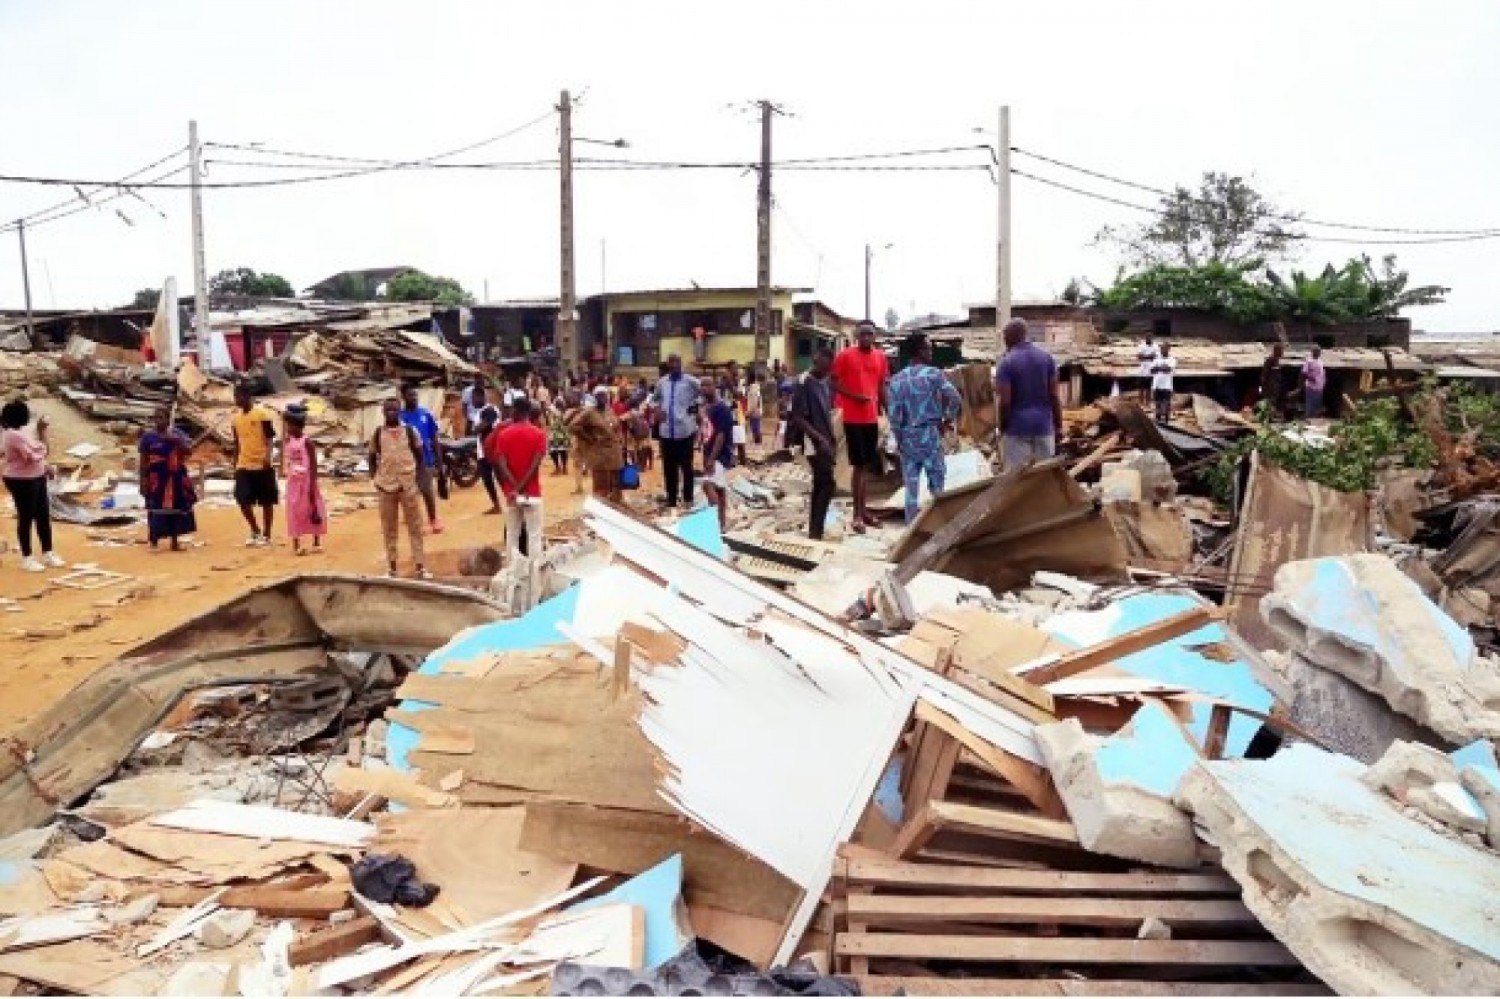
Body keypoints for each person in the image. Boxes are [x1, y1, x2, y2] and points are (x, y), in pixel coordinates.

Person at [888, 334, 962, 523]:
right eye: (928, 348)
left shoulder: (896, 380)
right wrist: (947, 420)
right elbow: (955, 398)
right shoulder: (933, 374)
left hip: (907, 437)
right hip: (929, 434)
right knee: (937, 484)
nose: (931, 352)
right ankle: (938, 525)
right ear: (920, 351)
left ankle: (911, 531)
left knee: (911, 487)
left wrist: (899, 439)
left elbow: (894, 416)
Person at [831, 320, 890, 533]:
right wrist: (854, 397)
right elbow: (834, 382)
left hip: (871, 419)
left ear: (875, 336)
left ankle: (863, 511)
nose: (866, 337)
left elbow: (882, 386)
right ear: (856, 335)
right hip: (853, 419)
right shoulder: (845, 356)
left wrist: (888, 411)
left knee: (866, 467)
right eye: (863, 334)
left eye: (870, 334)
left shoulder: (881, 357)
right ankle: (857, 515)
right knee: (858, 466)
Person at [370, 397, 429, 580]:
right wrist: (375, 478)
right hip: (386, 487)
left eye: (394, 410)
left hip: (408, 486)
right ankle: (392, 568)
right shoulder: (378, 434)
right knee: (389, 529)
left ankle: (420, 567)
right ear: (383, 412)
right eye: (388, 410)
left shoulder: (411, 432)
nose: (391, 413)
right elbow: (372, 456)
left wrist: (418, 476)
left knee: (415, 527)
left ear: (399, 411)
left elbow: (420, 455)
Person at [1, 400, 63, 572]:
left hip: (36, 476)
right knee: (26, 517)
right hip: (20, 479)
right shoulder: (13, 435)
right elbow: (34, 455)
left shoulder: (23, 432)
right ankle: (27, 557)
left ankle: (47, 552)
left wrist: (45, 466)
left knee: (43, 516)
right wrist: (43, 436)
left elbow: (39, 453)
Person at [994, 319, 1061, 470]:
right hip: (1044, 427)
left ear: (1010, 336)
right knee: (1044, 478)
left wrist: (1003, 427)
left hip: (1017, 429)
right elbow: (1054, 396)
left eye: (1005, 336)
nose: (1004, 340)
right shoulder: (1047, 358)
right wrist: (1058, 426)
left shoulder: (1006, 363)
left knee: (1017, 480)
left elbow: (1005, 402)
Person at [491, 397, 549, 565]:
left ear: (515, 411)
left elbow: (501, 464)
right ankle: (535, 575)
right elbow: (535, 465)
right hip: (532, 493)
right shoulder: (539, 434)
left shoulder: (503, 435)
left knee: (512, 534)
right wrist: (522, 487)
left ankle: (512, 572)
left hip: (511, 495)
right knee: (534, 536)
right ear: (529, 412)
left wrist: (514, 488)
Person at [788, 349, 837, 540]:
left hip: (824, 439)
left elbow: (826, 413)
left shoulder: (824, 383)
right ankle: (816, 530)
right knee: (826, 484)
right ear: (815, 361)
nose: (825, 370)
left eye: (827, 367)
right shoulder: (803, 382)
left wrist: (830, 438)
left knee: (821, 483)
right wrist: (819, 439)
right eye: (821, 366)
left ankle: (816, 530)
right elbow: (798, 417)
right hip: (813, 441)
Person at [140, 405, 197, 552]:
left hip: (175, 477)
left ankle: (175, 541)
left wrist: (176, 441)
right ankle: (154, 542)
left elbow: (189, 451)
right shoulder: (148, 438)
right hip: (157, 479)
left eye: (161, 417)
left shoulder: (177, 434)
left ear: (167, 419)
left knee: (176, 509)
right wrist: (143, 481)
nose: (158, 421)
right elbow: (143, 461)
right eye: (156, 418)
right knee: (154, 509)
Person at [651, 354, 702, 509]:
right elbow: (654, 399)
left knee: (686, 467)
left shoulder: (691, 382)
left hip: (685, 431)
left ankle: (688, 499)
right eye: (671, 363)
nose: (673, 365)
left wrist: (696, 408)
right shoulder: (662, 382)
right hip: (666, 432)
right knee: (668, 468)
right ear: (668, 365)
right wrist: (657, 410)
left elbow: (704, 395)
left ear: (681, 364)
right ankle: (671, 500)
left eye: (676, 362)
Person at [230, 384, 277, 547]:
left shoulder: (262, 415)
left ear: (247, 396)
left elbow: (270, 438)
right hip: (244, 464)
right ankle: (255, 529)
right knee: (242, 499)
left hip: (261, 464)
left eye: (238, 396)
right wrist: (235, 464)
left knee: (266, 501)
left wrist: (268, 456)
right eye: (235, 396)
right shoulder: (235, 419)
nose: (236, 400)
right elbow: (236, 443)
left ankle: (267, 533)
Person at [281, 404, 327, 555]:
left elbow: (313, 466)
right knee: (294, 510)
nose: (287, 427)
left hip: (307, 482)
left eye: (289, 425)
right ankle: (296, 544)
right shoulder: (288, 440)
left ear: (297, 425)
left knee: (313, 507)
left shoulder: (308, 443)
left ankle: (316, 541)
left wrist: (312, 486)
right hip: (294, 482)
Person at [398, 385, 444, 534]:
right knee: (410, 496)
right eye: (410, 396)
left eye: (415, 395)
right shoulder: (400, 418)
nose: (414, 398)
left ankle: (434, 519)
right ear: (404, 398)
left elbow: (434, 437)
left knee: (428, 492)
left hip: (425, 460)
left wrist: (439, 459)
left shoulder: (425, 414)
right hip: (407, 462)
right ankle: (416, 523)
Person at [569, 388, 625, 503]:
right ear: (595, 398)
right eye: (599, 396)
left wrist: (620, 439)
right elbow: (573, 426)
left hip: (615, 453)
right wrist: (588, 438)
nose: (603, 398)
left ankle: (616, 510)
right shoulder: (589, 412)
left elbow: (616, 426)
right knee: (601, 487)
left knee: (616, 485)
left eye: (604, 395)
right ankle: (600, 510)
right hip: (599, 454)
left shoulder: (609, 410)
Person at [700, 382, 734, 531]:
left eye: (708, 385)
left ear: (715, 388)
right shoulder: (707, 409)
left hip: (720, 454)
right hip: (709, 452)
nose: (704, 388)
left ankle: (715, 523)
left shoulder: (722, 409)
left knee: (707, 485)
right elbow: (706, 431)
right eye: (702, 385)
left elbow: (721, 435)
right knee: (719, 489)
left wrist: (712, 458)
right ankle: (721, 525)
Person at [474, 402, 503, 513]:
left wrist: (480, 426)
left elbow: (478, 428)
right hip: (483, 453)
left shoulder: (491, 410)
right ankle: (496, 505)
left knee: (500, 478)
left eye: (474, 398)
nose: (473, 400)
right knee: (487, 480)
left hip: (492, 452)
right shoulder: (480, 412)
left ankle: (510, 501)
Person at [1149, 342, 1178, 424]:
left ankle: (1166, 421)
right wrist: (1162, 368)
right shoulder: (1156, 359)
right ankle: (1157, 420)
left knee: (1166, 404)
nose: (1162, 350)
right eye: (1161, 348)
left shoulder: (1172, 359)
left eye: (1164, 348)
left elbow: (1168, 369)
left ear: (1168, 349)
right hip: (1156, 385)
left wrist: (1158, 368)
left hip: (1167, 386)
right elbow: (1152, 370)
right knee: (1157, 403)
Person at [1260, 343, 1287, 419]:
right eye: (1281, 350)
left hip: (1276, 389)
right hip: (1270, 389)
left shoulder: (1277, 361)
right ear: (1276, 350)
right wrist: (1264, 388)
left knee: (1275, 404)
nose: (1282, 353)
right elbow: (1264, 376)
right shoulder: (1270, 360)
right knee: (1270, 404)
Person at [546, 398, 570, 476]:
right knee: (563, 451)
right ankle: (564, 468)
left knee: (554, 452)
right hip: (564, 435)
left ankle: (558, 468)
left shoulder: (554, 412)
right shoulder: (565, 413)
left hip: (555, 435)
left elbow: (549, 411)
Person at [1303, 345, 1326, 419]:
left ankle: (1314, 421)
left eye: (1319, 351)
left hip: (1319, 388)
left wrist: (1324, 381)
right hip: (1311, 387)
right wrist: (1311, 379)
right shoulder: (1309, 361)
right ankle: (1308, 419)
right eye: (1316, 351)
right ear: (1313, 352)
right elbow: (1304, 373)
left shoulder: (1320, 362)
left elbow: (1322, 373)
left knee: (1317, 406)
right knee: (1310, 405)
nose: (1318, 353)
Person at [1135, 334, 1159, 402]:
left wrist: (1145, 356)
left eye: (1150, 336)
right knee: (1141, 389)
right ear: (1145, 337)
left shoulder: (1156, 346)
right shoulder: (1141, 345)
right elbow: (1139, 357)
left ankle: (1147, 404)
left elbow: (1155, 356)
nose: (1148, 338)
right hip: (1142, 371)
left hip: (1151, 370)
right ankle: (1141, 403)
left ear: (1152, 337)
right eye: (1147, 336)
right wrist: (1150, 356)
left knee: (1148, 389)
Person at [745, 372, 765, 446]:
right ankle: (758, 443)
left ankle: (758, 445)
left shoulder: (753, 389)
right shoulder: (754, 388)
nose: (746, 379)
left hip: (754, 413)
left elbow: (755, 403)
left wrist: (748, 412)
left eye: (747, 378)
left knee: (755, 430)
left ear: (750, 379)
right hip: (755, 412)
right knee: (755, 429)